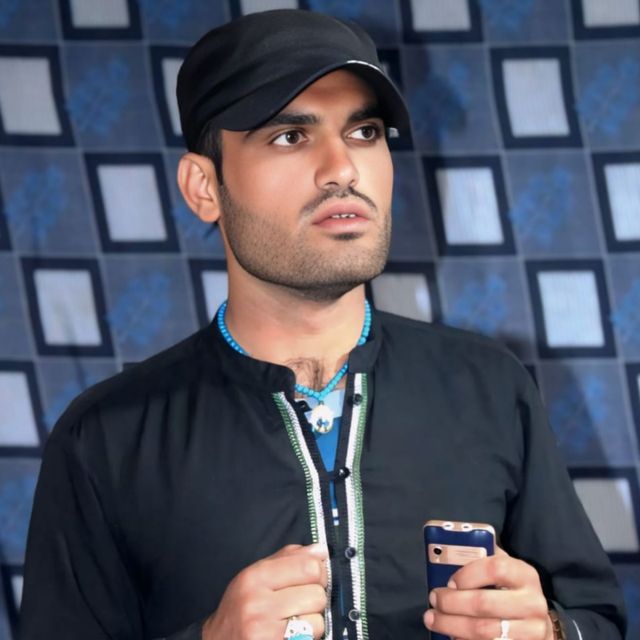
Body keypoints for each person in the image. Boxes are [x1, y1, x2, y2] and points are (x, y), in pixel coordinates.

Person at [20, 9, 625, 640]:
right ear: (204, 187)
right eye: (290, 136)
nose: (342, 168)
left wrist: (551, 630)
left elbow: (599, 620)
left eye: (364, 132)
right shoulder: (109, 436)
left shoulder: (490, 388)